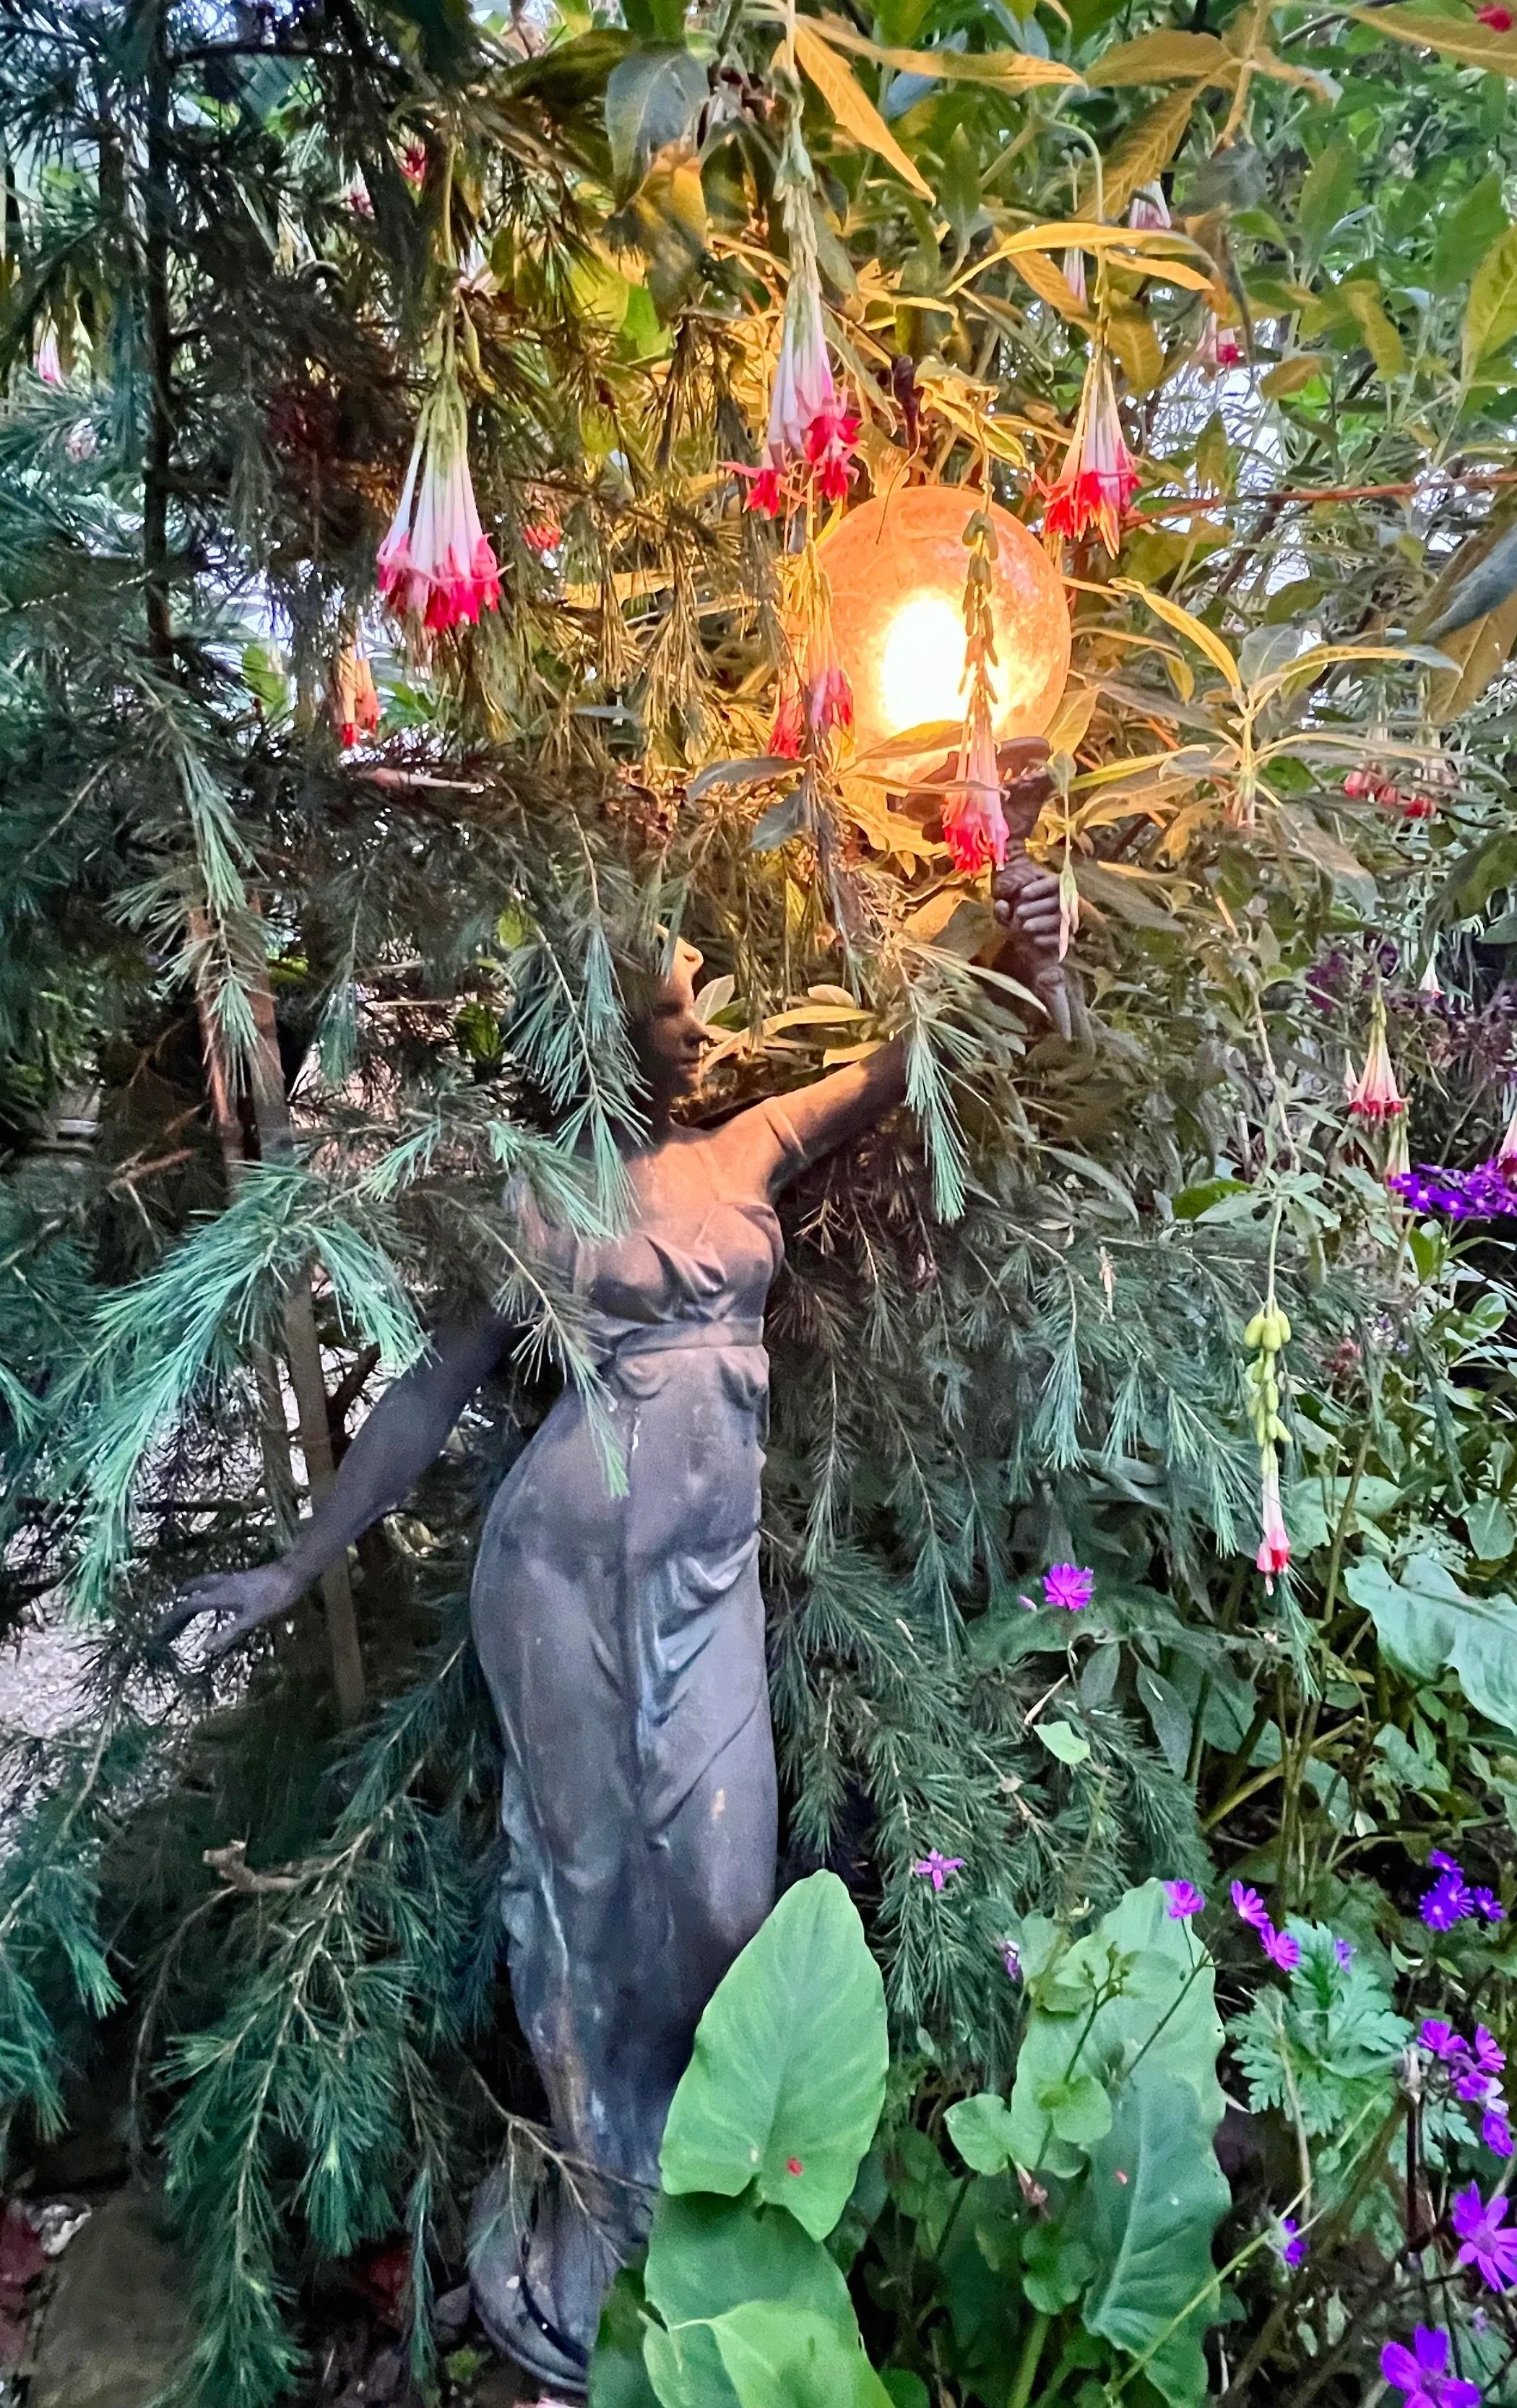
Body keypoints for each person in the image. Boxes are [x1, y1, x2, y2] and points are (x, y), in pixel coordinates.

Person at [164, 812, 1068, 2388]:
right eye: (670, 1000)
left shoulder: (746, 1149)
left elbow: (907, 1056)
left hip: (703, 1585)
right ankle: (597, 2206)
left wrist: (1014, 945)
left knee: (722, 1894)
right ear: (589, 1025)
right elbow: (431, 1395)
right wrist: (296, 1562)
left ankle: (705, 2195)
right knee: (581, 1894)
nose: (702, 1016)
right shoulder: (527, 1200)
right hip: (557, 1577)